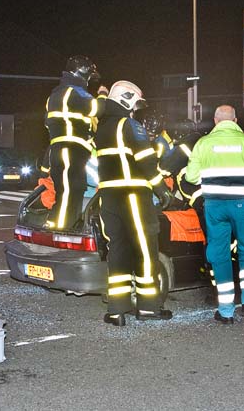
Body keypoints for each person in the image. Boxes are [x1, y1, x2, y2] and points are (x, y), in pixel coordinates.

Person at [185, 105, 244, 324]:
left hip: (214, 205)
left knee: (220, 255)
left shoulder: (203, 143)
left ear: (216, 121)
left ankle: (225, 312)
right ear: (235, 120)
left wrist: (209, 180)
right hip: (243, 205)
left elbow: (190, 177)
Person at [94, 80, 174, 327]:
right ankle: (148, 308)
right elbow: (146, 161)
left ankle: (116, 311)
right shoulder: (130, 125)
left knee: (117, 251)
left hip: (108, 197)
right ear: (127, 100)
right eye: (136, 104)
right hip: (133, 195)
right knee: (145, 251)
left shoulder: (102, 127)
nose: (137, 110)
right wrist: (162, 190)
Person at [44, 56, 107, 230]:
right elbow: (97, 109)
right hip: (71, 149)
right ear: (83, 71)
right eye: (89, 75)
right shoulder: (75, 91)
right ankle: (61, 229)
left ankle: (60, 225)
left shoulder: (55, 95)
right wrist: (103, 94)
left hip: (62, 149)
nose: (89, 80)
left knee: (72, 190)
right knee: (70, 191)